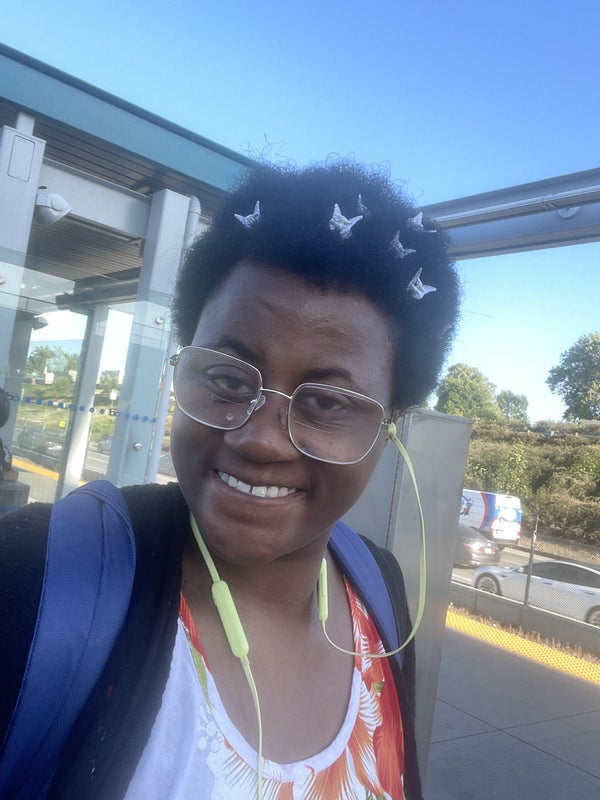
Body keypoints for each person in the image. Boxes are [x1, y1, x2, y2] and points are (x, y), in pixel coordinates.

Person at [0, 161, 459, 799]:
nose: (259, 438)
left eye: (327, 402)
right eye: (226, 379)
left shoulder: (379, 592)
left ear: (390, 426)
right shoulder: (39, 577)